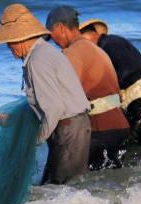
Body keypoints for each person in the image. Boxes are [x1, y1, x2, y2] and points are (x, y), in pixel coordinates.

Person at [0, 4, 91, 184]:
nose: (8, 48)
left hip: (68, 129)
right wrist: (12, 119)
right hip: (73, 126)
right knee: (61, 187)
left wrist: (36, 139)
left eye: (8, 42)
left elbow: (54, 108)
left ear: (19, 38)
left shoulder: (37, 60)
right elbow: (43, 103)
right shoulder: (44, 52)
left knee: (60, 191)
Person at [46, 6, 131, 170]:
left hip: (101, 129)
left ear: (61, 28)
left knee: (87, 185)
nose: (54, 42)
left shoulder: (72, 53)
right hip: (120, 126)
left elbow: (63, 96)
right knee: (111, 185)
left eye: (52, 35)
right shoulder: (95, 48)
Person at [80, 19, 141, 146]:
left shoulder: (107, 45)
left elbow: (128, 69)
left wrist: (111, 89)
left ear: (87, 36)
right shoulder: (114, 41)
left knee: (134, 149)